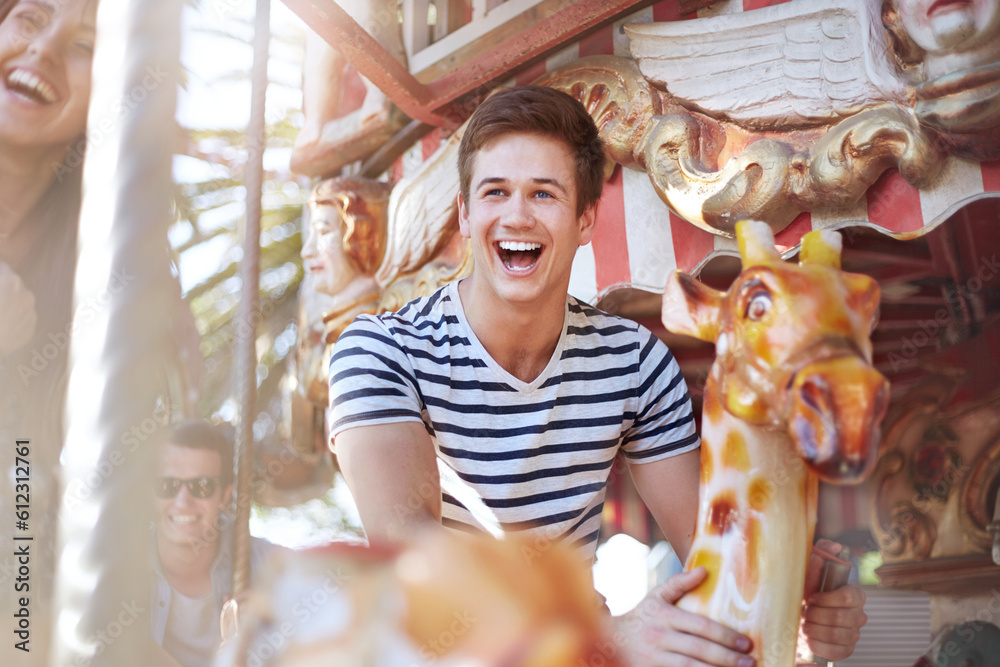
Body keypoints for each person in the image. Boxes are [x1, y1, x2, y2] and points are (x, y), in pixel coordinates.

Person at [328, 86, 867, 666]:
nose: (516, 214)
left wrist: (797, 601)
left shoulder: (634, 361)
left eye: (544, 193)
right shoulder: (381, 350)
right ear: (465, 213)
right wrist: (601, 639)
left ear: (586, 219)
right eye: (495, 192)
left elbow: (711, 554)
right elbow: (408, 549)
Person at [150, 420, 271, 667]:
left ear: (225, 496)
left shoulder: (269, 566)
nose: (182, 501)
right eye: (168, 486)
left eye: (201, 487)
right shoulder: (120, 566)